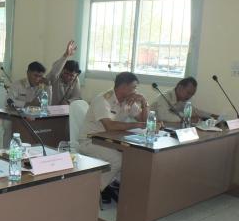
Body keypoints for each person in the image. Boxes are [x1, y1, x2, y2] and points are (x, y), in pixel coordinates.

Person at [78, 72, 149, 200]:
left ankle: (112, 185)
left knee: (132, 157)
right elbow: (110, 126)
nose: (135, 91)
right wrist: (136, 125)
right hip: (90, 141)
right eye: (133, 87)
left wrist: (144, 103)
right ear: (123, 87)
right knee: (118, 159)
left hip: (111, 141)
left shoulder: (129, 101)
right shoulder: (103, 99)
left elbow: (144, 121)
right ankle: (91, 193)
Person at [150, 77, 216, 123]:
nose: (189, 96)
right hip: (150, 127)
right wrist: (186, 119)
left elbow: (195, 111)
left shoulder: (181, 100)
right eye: (188, 93)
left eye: (192, 94)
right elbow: (164, 116)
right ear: (180, 87)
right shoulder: (165, 96)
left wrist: (212, 116)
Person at [46, 40, 82, 105]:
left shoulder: (75, 79)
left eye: (71, 75)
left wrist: (68, 102)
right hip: (51, 110)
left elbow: (77, 97)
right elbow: (54, 72)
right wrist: (66, 55)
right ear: (62, 70)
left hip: (66, 111)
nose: (68, 77)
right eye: (66, 73)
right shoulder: (55, 76)